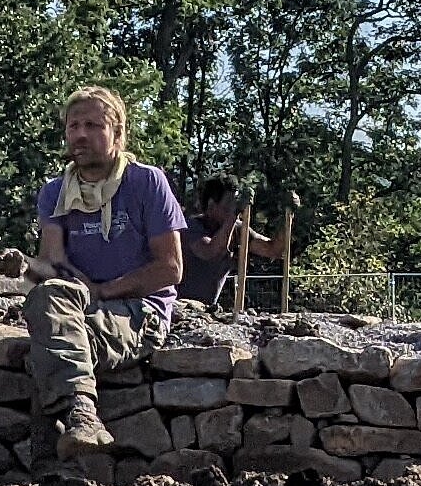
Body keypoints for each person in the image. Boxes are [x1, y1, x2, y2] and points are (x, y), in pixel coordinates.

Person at [26, 88, 186, 453]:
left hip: (140, 311)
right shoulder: (55, 192)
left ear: (118, 132)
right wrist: (22, 267)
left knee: (47, 353)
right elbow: (52, 264)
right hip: (79, 306)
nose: (80, 135)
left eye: (93, 125)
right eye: (73, 126)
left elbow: (170, 268)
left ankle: (62, 453)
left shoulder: (147, 182)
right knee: (48, 311)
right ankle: (77, 434)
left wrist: (104, 291)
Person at [178, 176, 280, 311]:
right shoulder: (191, 227)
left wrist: (285, 221)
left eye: (235, 204)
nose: (232, 209)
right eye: (228, 206)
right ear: (211, 205)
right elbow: (210, 251)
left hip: (207, 310)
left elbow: (272, 250)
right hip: (179, 307)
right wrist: (234, 214)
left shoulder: (237, 230)